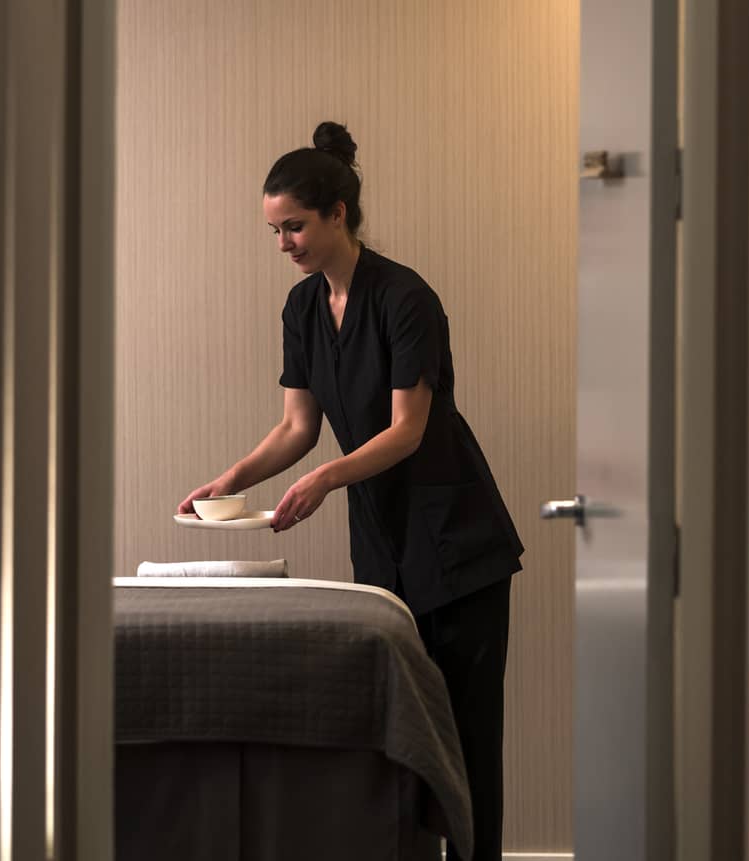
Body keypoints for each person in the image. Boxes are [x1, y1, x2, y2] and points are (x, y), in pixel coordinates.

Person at [177, 121, 524, 861]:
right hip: (384, 541)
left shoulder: (405, 298)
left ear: (338, 213)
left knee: (465, 741)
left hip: (456, 540)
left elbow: (407, 429)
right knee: (398, 738)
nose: (284, 245)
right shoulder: (303, 308)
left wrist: (326, 479)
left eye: (294, 227)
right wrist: (231, 481)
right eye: (274, 230)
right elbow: (298, 426)